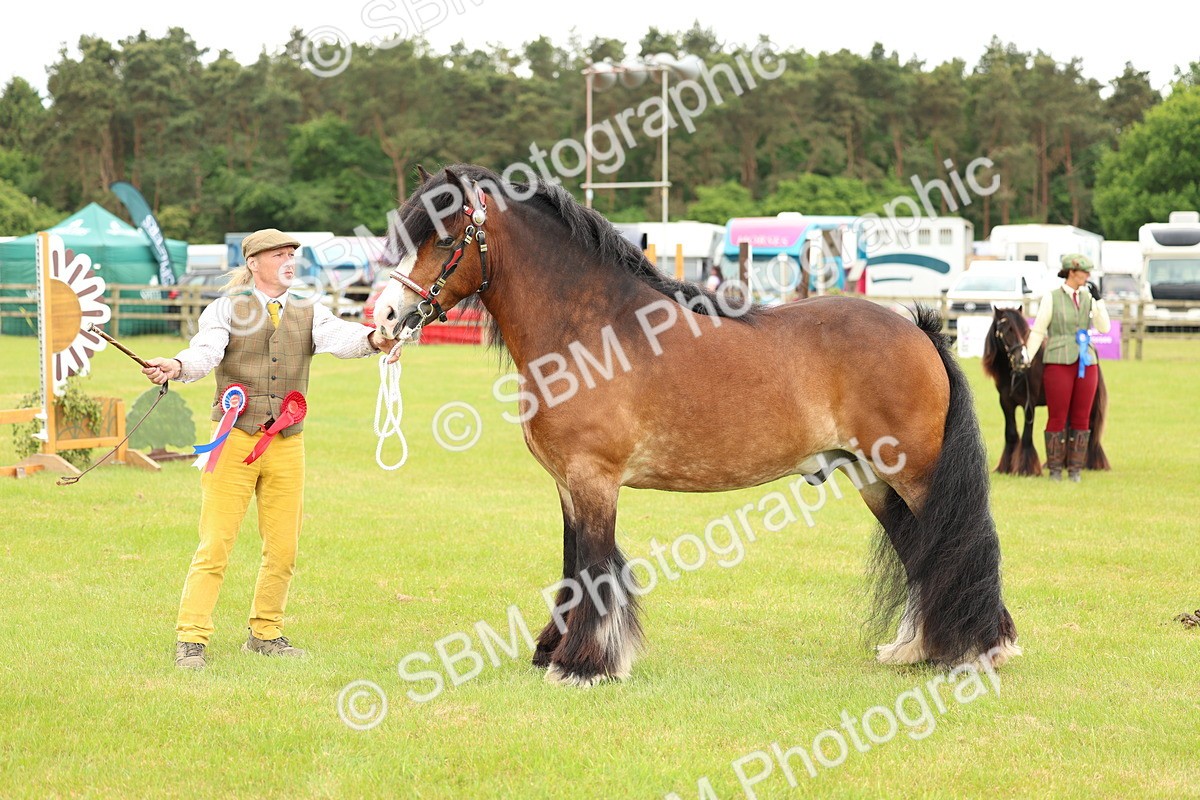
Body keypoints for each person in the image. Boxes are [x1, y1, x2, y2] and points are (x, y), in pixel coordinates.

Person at [142, 229, 399, 669]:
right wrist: (178, 365)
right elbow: (206, 352)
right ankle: (191, 639)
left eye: (292, 254)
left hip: (287, 444)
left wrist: (376, 340)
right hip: (233, 440)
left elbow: (343, 338)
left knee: (283, 549)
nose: (289, 261)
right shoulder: (226, 308)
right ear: (254, 262)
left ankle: (265, 634)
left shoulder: (309, 310)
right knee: (215, 545)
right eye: (279, 255)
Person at [1024, 253, 1111, 482]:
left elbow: (1104, 328)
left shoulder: (1088, 297)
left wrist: (1099, 302)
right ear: (1071, 272)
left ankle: (1075, 469)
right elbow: (1038, 330)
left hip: (1086, 361)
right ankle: (1055, 469)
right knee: (1057, 416)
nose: (1088, 276)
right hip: (1058, 361)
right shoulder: (1051, 297)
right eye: (1084, 272)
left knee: (1082, 416)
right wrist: (1027, 357)